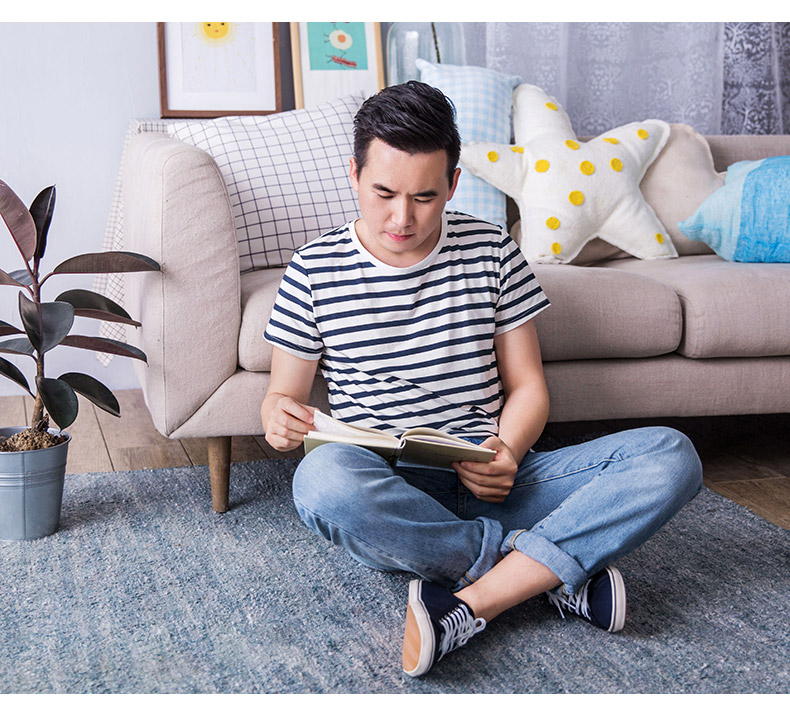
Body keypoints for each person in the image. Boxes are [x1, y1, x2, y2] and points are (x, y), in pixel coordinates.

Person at [260, 81, 702, 678]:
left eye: (425, 197)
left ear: (453, 185)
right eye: (384, 193)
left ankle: (475, 597)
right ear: (355, 174)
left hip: (496, 475)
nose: (401, 217)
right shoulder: (313, 268)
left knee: (671, 455)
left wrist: (508, 450)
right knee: (320, 482)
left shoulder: (492, 249)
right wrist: (279, 420)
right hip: (391, 487)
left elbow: (528, 388)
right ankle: (542, 571)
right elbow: (282, 398)